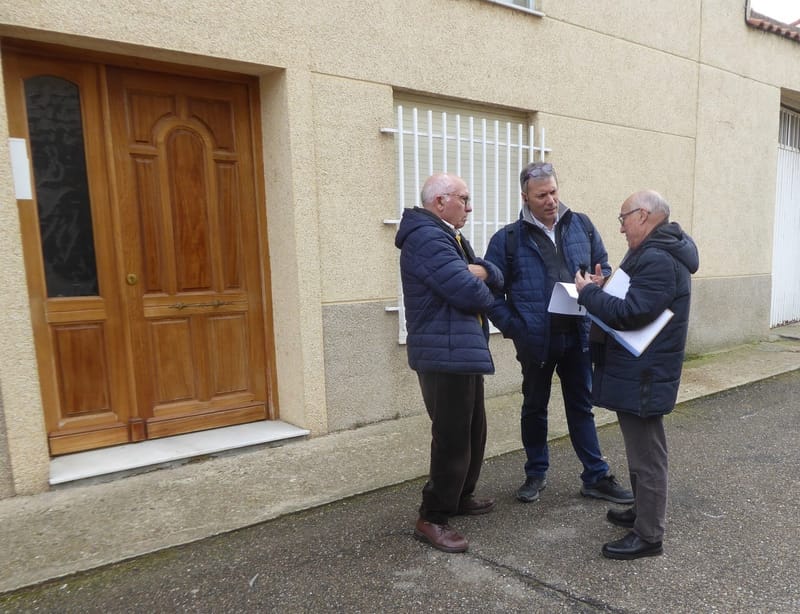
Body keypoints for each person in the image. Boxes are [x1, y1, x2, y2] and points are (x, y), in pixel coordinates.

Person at [484, 161, 633, 505]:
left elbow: (603, 266)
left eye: (553, 191)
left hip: (578, 333)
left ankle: (595, 476)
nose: (551, 200)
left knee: (581, 405)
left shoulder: (581, 224)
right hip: (536, 339)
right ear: (525, 197)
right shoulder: (508, 239)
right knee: (535, 407)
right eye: (541, 195)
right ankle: (536, 472)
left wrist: (600, 281)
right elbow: (491, 293)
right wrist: (515, 328)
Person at [575, 189, 699, 560]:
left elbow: (632, 313)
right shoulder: (654, 251)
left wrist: (587, 294)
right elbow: (634, 300)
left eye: (623, 218)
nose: (621, 228)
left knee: (648, 455)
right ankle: (641, 513)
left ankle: (649, 535)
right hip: (640, 368)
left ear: (643, 216)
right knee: (638, 449)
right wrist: (602, 289)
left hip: (645, 370)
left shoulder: (658, 257)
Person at [395, 172, 504, 553]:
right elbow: (467, 290)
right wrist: (481, 278)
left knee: (474, 431)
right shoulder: (427, 237)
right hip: (443, 354)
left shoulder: (449, 237)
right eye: (464, 198)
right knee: (452, 437)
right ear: (440, 201)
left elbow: (491, 274)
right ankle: (433, 517)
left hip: (461, 348)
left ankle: (458, 497)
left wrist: (486, 271)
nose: (470, 207)